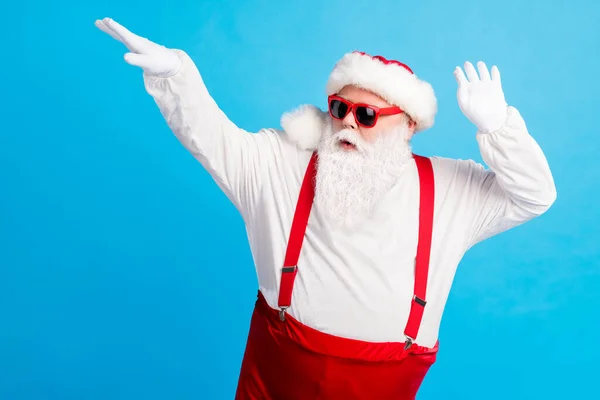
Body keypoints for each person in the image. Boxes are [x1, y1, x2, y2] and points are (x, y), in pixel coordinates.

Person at [95, 17, 557, 400]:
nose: (347, 125)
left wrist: (499, 129)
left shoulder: (451, 189)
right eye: (339, 108)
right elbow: (211, 136)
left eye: (367, 115)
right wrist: (175, 73)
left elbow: (535, 195)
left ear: (409, 125)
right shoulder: (280, 164)